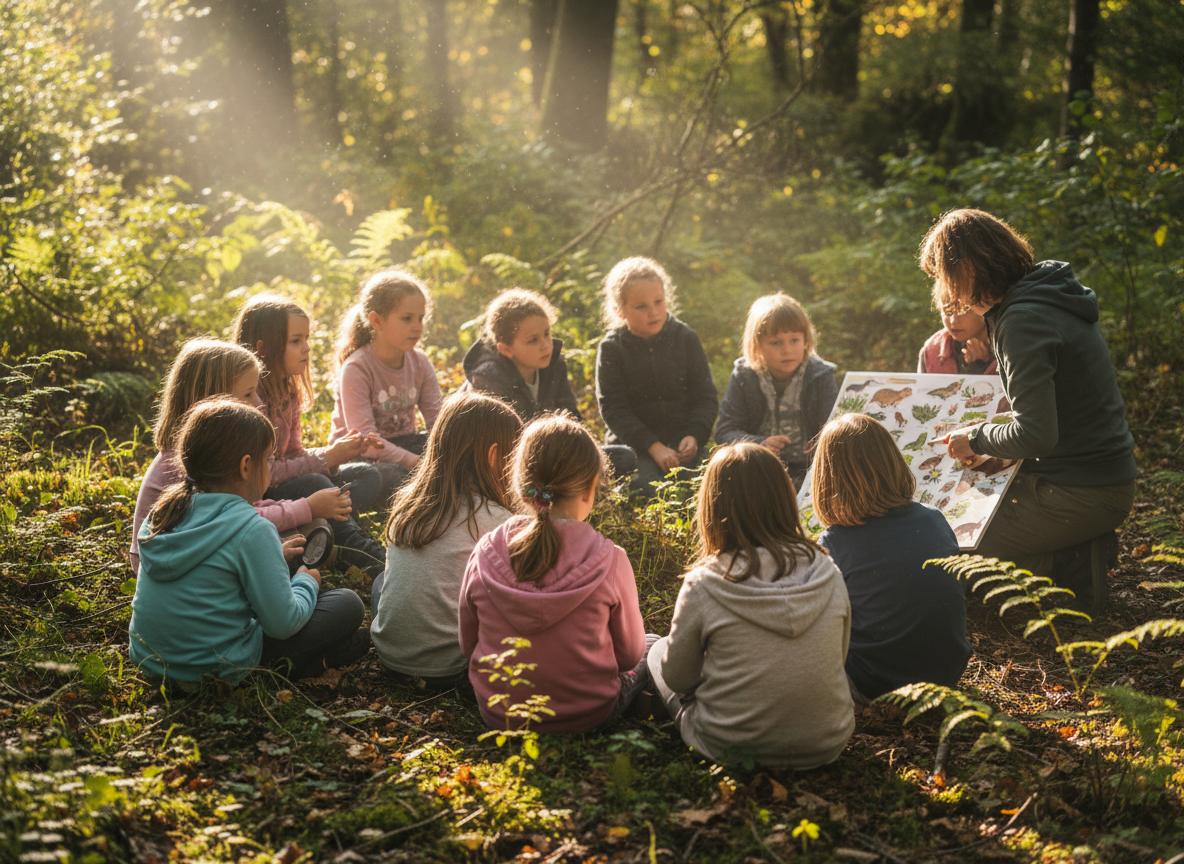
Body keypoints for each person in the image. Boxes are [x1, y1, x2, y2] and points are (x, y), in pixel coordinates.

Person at [922, 208, 1136, 607]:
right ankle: (1067, 547)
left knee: (943, 546)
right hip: (1090, 477)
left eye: (942, 276)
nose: (943, 289)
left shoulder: (1022, 320)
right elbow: (1047, 412)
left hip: (1083, 490)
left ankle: (1066, 561)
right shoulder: (1043, 294)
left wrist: (976, 437)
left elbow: (1036, 433)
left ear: (966, 269)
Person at [130, 399, 368, 684]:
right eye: (268, 459)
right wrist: (306, 581)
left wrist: (272, 555)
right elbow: (284, 624)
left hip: (151, 661)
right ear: (246, 466)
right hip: (216, 670)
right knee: (348, 603)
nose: (270, 468)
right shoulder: (253, 530)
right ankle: (305, 664)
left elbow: (210, 569)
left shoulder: (163, 513)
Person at [647, 442, 854, 769]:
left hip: (728, 745)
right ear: (784, 499)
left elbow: (678, 678)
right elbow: (838, 656)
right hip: (827, 742)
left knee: (656, 652)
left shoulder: (705, 582)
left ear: (712, 508)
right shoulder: (827, 570)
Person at [459, 416, 654, 733]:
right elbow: (629, 655)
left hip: (499, 713)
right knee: (652, 643)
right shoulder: (611, 560)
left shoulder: (485, 552)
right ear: (590, 488)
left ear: (522, 487)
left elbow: (468, 644)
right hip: (589, 714)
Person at [129, 339, 349, 575]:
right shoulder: (185, 460)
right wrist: (307, 507)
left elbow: (245, 508)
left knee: (308, 524)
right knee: (301, 535)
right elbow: (237, 520)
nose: (258, 402)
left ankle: (324, 553)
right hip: (178, 567)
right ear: (212, 402)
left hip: (214, 544)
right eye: (248, 393)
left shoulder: (221, 446)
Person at [812, 413, 971, 703]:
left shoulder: (835, 543)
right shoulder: (934, 519)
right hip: (947, 674)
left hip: (875, 685)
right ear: (893, 462)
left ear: (827, 478)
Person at [371, 393, 522, 688]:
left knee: (381, 581)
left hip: (391, 658)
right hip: (451, 669)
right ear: (494, 457)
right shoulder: (498, 520)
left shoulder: (408, 504)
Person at [234, 295, 387, 580]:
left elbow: (293, 454)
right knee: (316, 482)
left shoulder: (287, 390)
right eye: (296, 341)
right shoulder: (250, 400)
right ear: (263, 348)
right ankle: (365, 553)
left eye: (306, 339)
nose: (306, 348)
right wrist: (327, 458)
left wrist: (342, 451)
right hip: (260, 495)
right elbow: (266, 473)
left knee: (368, 476)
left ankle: (328, 530)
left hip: (288, 487)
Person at [462, 287, 636, 480]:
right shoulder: (489, 378)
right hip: (505, 466)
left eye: (547, 333)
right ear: (506, 349)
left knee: (624, 457)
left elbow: (570, 416)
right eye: (533, 340)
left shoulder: (554, 364)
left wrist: (581, 451)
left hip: (550, 455)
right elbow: (500, 444)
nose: (545, 345)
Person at [595, 257, 718, 496]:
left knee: (712, 485)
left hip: (684, 445)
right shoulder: (612, 348)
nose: (653, 312)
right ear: (620, 311)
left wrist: (694, 435)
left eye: (658, 302)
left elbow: (705, 396)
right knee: (646, 489)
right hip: (636, 449)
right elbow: (614, 409)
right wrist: (653, 446)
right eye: (641, 307)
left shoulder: (685, 338)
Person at [331, 269, 444, 490]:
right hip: (360, 455)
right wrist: (418, 463)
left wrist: (449, 453)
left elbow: (438, 420)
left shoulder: (419, 362)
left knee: (451, 458)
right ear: (377, 321)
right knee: (389, 476)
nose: (417, 326)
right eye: (407, 318)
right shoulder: (357, 368)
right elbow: (367, 442)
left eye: (420, 318)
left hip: (405, 443)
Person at [715, 293, 839, 488]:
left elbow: (834, 426)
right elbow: (725, 431)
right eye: (776, 342)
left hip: (813, 469)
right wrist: (760, 443)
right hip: (758, 468)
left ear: (806, 340)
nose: (787, 350)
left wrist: (821, 442)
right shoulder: (745, 376)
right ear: (758, 345)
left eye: (794, 340)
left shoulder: (820, 375)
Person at [917, 294, 998, 374]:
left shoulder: (1006, 344)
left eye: (964, 311)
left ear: (985, 309)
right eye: (948, 311)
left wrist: (985, 364)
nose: (953, 321)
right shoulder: (932, 350)